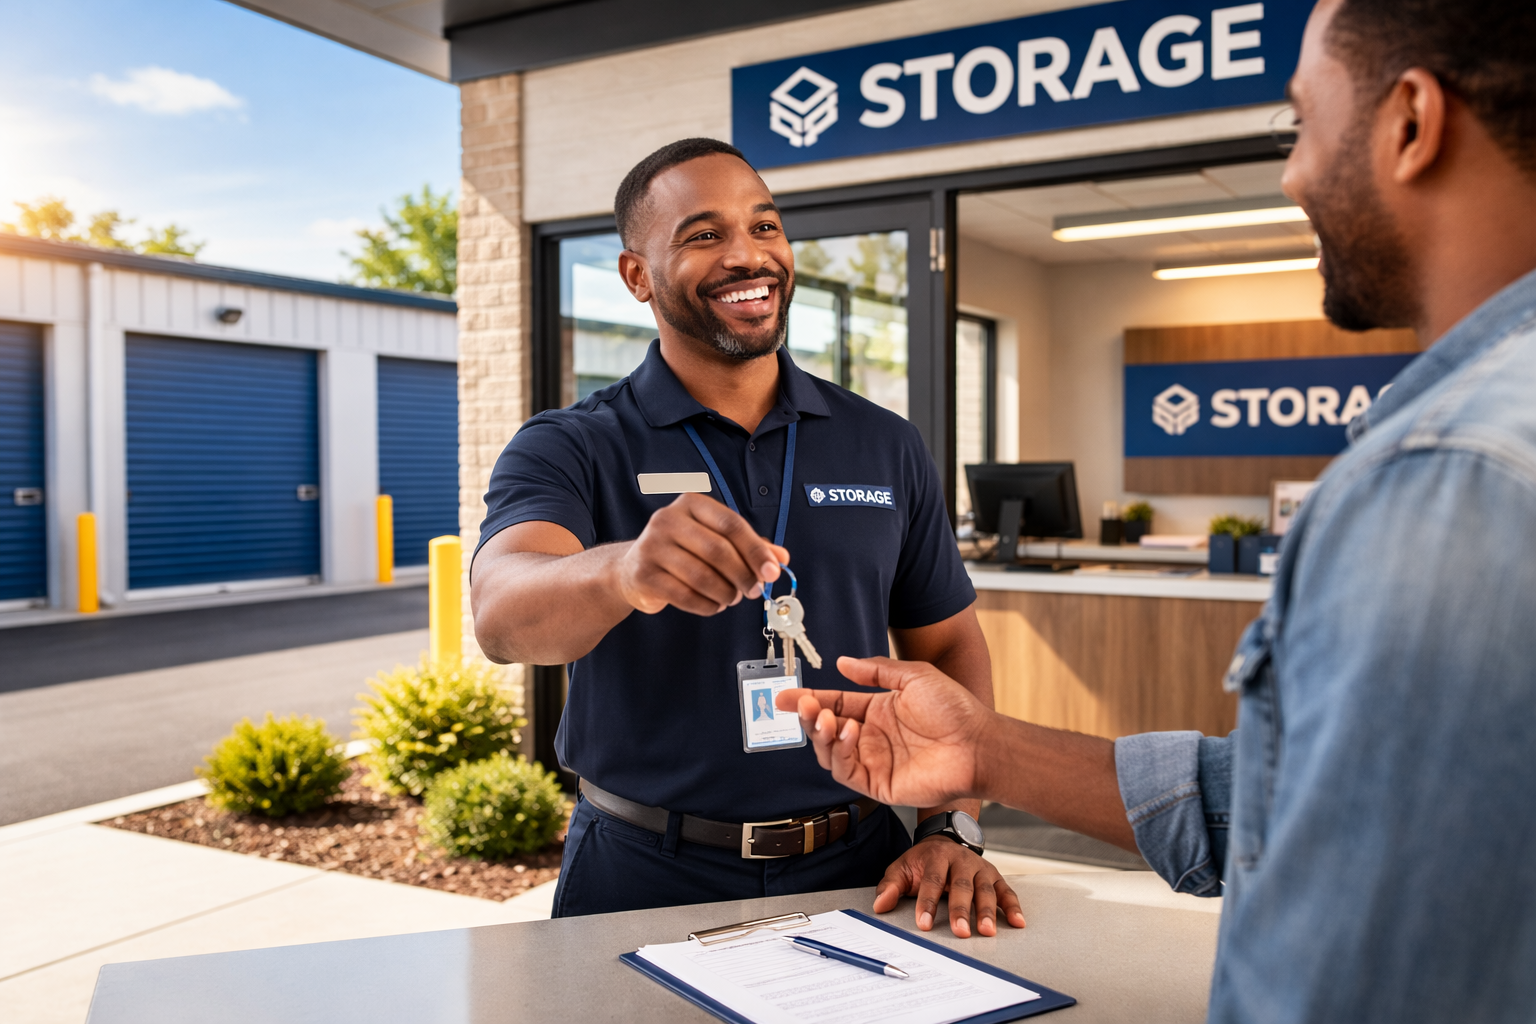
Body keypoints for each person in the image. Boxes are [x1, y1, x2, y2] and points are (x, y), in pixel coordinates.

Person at [777, 0, 1536, 1020]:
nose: (1293, 173)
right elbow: (1299, 805)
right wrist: (991, 753)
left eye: (1300, 125)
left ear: (1411, 121)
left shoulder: (1451, 471)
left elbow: (1363, 961)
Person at [471, 137, 1022, 936]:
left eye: (765, 228)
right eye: (704, 235)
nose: (748, 256)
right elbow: (501, 613)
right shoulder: (573, 444)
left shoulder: (884, 442)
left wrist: (951, 825)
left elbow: (947, 644)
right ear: (636, 276)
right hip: (640, 871)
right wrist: (623, 572)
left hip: (860, 861)